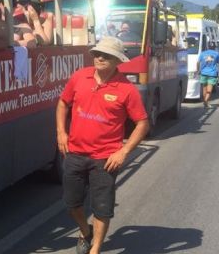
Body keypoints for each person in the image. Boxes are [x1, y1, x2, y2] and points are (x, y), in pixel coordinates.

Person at [56, 36, 150, 254]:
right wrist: (61, 132)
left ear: (117, 60)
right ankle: (85, 230)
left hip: (105, 158)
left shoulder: (127, 89)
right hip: (75, 153)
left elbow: (142, 123)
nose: (99, 58)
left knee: (102, 208)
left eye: (106, 55)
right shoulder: (80, 77)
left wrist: (123, 151)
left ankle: (95, 249)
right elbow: (63, 103)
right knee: (71, 204)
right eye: (97, 53)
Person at [198, 41, 219, 108]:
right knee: (209, 90)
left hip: (203, 73)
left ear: (208, 46)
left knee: (204, 88)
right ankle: (205, 101)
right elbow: (218, 62)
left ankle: (205, 103)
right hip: (212, 74)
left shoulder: (202, 53)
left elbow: (198, 62)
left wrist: (198, 70)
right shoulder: (216, 54)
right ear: (214, 47)